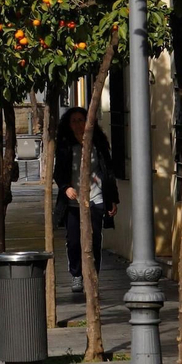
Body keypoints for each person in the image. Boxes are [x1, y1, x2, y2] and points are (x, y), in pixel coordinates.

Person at [51, 107, 119, 296]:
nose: (78, 124)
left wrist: (112, 199)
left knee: (94, 240)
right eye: (74, 121)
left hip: (96, 199)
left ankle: (92, 275)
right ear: (68, 124)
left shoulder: (98, 143)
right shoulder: (65, 145)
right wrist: (66, 188)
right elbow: (59, 172)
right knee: (74, 241)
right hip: (74, 202)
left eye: (81, 120)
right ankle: (76, 274)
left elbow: (108, 172)